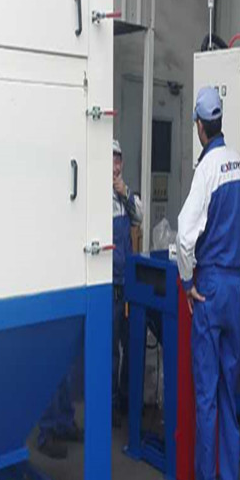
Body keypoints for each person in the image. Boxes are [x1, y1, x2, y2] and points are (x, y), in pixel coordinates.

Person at [176, 86, 240, 480]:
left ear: (199, 126)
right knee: (230, 391)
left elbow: (183, 233)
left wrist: (186, 280)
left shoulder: (207, 169)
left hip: (210, 288)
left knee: (207, 395)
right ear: (220, 122)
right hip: (234, 289)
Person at [112, 139, 143, 427]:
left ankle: (125, 401)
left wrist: (126, 194)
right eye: (111, 159)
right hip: (109, 285)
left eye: (118, 159)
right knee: (110, 351)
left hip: (127, 283)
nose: (115, 166)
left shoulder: (125, 195)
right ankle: (109, 407)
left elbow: (139, 217)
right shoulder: (98, 197)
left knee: (131, 344)